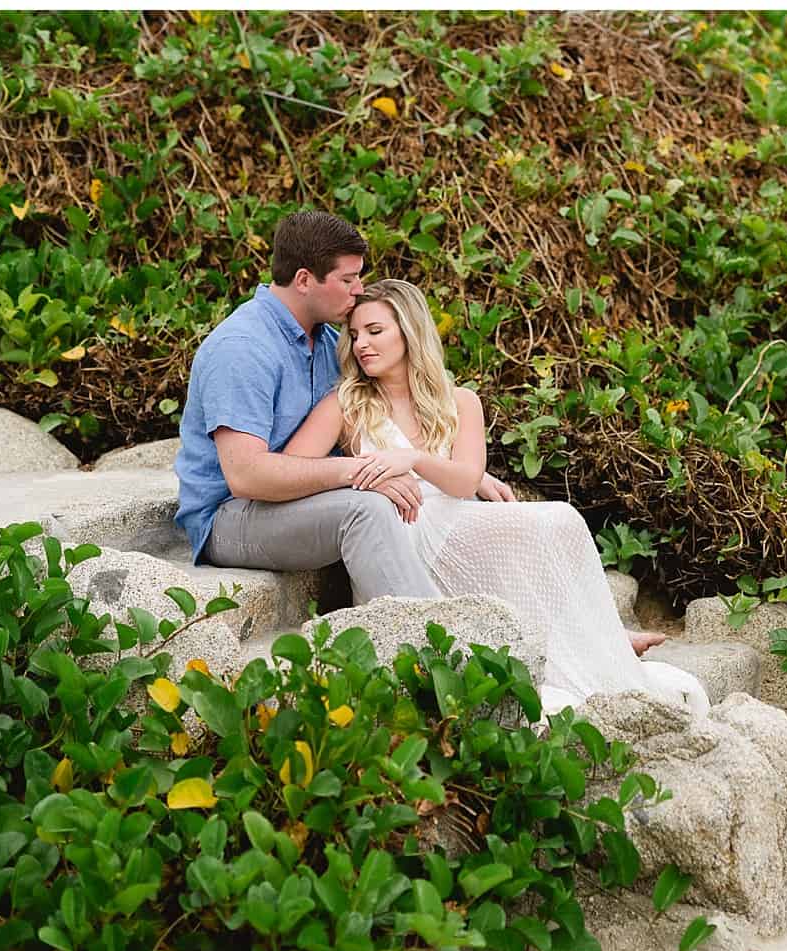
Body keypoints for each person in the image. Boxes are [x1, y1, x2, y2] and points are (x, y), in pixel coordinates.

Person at [283, 278, 710, 716]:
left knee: (559, 521)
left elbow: (465, 481)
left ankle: (593, 639)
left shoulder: (459, 401)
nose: (361, 345)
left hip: (454, 519)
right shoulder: (348, 404)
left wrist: (410, 458)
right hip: (399, 537)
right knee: (535, 529)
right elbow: (294, 466)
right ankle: (594, 638)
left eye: (375, 331)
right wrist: (364, 477)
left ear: (410, 332)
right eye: (354, 335)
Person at [173, 210, 515, 604]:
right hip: (233, 517)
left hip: (301, 501)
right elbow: (247, 478)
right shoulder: (243, 349)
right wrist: (359, 473)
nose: (359, 289)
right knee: (366, 509)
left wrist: (465, 473)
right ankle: (431, 643)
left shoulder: (330, 341)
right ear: (304, 280)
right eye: (348, 279)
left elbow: (394, 402)